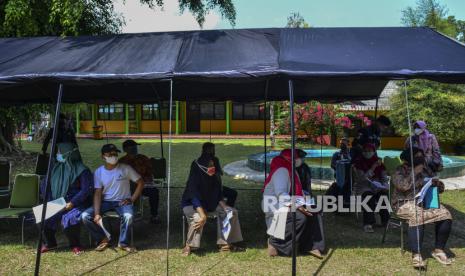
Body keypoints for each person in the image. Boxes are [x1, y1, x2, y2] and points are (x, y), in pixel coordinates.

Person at [392, 147, 452, 269]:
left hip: (422, 202)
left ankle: (438, 250)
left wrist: (437, 184)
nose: (420, 158)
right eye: (417, 156)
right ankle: (416, 255)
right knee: (417, 214)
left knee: (445, 214)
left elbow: (439, 189)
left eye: (421, 155)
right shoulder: (399, 170)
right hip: (402, 204)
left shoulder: (425, 170)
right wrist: (414, 172)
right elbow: (403, 186)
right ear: (409, 158)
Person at [181, 142, 244, 256]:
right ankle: (189, 245)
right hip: (192, 205)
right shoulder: (195, 176)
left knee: (231, 212)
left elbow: (217, 192)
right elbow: (194, 198)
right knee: (198, 218)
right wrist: (203, 215)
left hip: (210, 202)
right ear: (203, 167)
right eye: (210, 166)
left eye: (213, 166)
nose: (212, 168)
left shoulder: (214, 174)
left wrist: (225, 206)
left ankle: (225, 243)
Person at [81, 144, 145, 252]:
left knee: (128, 216)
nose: (114, 156)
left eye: (115, 153)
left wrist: (132, 199)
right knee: (85, 216)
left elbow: (141, 182)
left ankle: (123, 243)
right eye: (110, 154)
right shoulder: (99, 172)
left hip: (122, 202)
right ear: (103, 157)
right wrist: (96, 213)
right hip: (105, 202)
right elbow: (97, 193)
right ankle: (103, 238)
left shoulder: (125, 168)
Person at [263, 149, 323, 258]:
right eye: (297, 158)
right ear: (291, 159)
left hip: (286, 203)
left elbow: (295, 190)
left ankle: (311, 246)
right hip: (275, 205)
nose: (300, 160)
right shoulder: (281, 170)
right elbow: (281, 194)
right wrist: (298, 206)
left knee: (314, 210)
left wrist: (305, 200)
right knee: (300, 217)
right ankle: (275, 241)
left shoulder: (291, 170)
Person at [39, 143, 93, 255]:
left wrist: (72, 203)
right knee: (42, 214)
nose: (57, 154)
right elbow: (45, 185)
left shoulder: (82, 170)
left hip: (77, 202)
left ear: (67, 154)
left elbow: (86, 190)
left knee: (69, 218)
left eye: (59, 152)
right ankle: (50, 243)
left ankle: (75, 244)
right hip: (58, 201)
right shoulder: (55, 168)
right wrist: (50, 201)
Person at [119, 140, 160, 224]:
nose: (135, 149)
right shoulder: (122, 161)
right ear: (125, 149)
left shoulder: (143, 158)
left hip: (144, 185)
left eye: (135, 147)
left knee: (154, 192)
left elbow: (150, 172)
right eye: (132, 147)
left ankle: (154, 215)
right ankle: (127, 213)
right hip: (128, 187)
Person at [352, 143, 390, 233]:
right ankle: (368, 224)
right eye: (365, 151)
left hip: (377, 187)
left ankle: (386, 221)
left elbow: (384, 177)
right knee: (369, 197)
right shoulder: (358, 163)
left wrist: (385, 186)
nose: (367, 153)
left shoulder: (379, 162)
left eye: (370, 151)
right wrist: (373, 167)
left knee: (383, 195)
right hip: (363, 187)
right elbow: (362, 179)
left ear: (374, 152)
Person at [295, 149, 326, 258]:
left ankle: (316, 245)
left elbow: (307, 186)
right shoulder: (286, 169)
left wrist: (308, 198)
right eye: (299, 157)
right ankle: (305, 244)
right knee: (305, 215)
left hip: (303, 197)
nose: (301, 160)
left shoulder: (305, 168)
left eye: (302, 158)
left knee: (315, 211)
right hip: (290, 200)